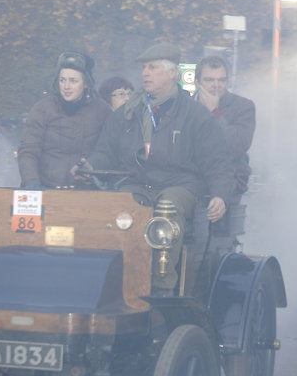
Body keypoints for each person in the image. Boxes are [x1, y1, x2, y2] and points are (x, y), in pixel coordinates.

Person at [80, 43, 235, 294]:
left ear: (173, 73)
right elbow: (105, 151)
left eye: (153, 67)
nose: (145, 73)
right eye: (144, 68)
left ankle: (162, 286)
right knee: (118, 205)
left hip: (180, 185)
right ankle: (116, 278)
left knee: (167, 207)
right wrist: (91, 165)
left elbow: (217, 161)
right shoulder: (128, 112)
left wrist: (220, 195)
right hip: (137, 183)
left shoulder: (195, 114)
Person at [18, 51, 111, 189]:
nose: (66, 86)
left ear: (86, 83)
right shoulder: (43, 109)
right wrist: (32, 182)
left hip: (87, 190)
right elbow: (28, 150)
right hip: (46, 187)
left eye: (73, 81)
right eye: (62, 80)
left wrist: (92, 166)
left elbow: (107, 150)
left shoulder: (101, 110)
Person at [194, 55, 255, 196]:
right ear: (197, 82)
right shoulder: (184, 106)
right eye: (209, 80)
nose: (216, 85)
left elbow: (236, 147)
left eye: (221, 80)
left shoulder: (242, 107)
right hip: (188, 179)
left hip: (228, 180)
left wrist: (214, 113)